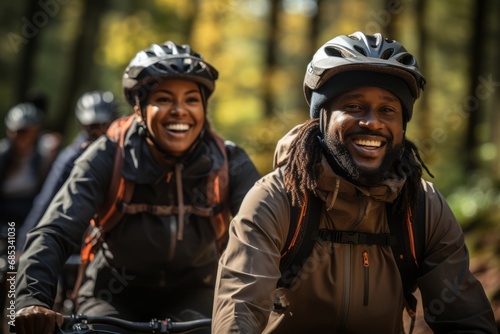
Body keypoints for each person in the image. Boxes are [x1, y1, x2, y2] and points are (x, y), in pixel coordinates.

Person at [212, 32, 498, 333]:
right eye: (353, 106)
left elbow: (468, 321)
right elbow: (237, 313)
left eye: (388, 109)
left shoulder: (423, 207)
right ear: (322, 118)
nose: (372, 122)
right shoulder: (276, 199)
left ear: (402, 125)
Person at [14, 41, 260, 334]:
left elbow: (263, 237)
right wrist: (32, 299)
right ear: (140, 109)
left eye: (192, 100)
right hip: (111, 296)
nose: (180, 111)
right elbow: (54, 230)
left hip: (196, 294)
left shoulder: (229, 161)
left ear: (204, 108)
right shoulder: (108, 154)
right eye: (164, 99)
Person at [18, 90, 120, 252]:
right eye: (90, 126)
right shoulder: (71, 158)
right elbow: (45, 202)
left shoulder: (123, 154)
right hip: (73, 243)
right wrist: (21, 248)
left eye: (103, 124)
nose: (96, 131)